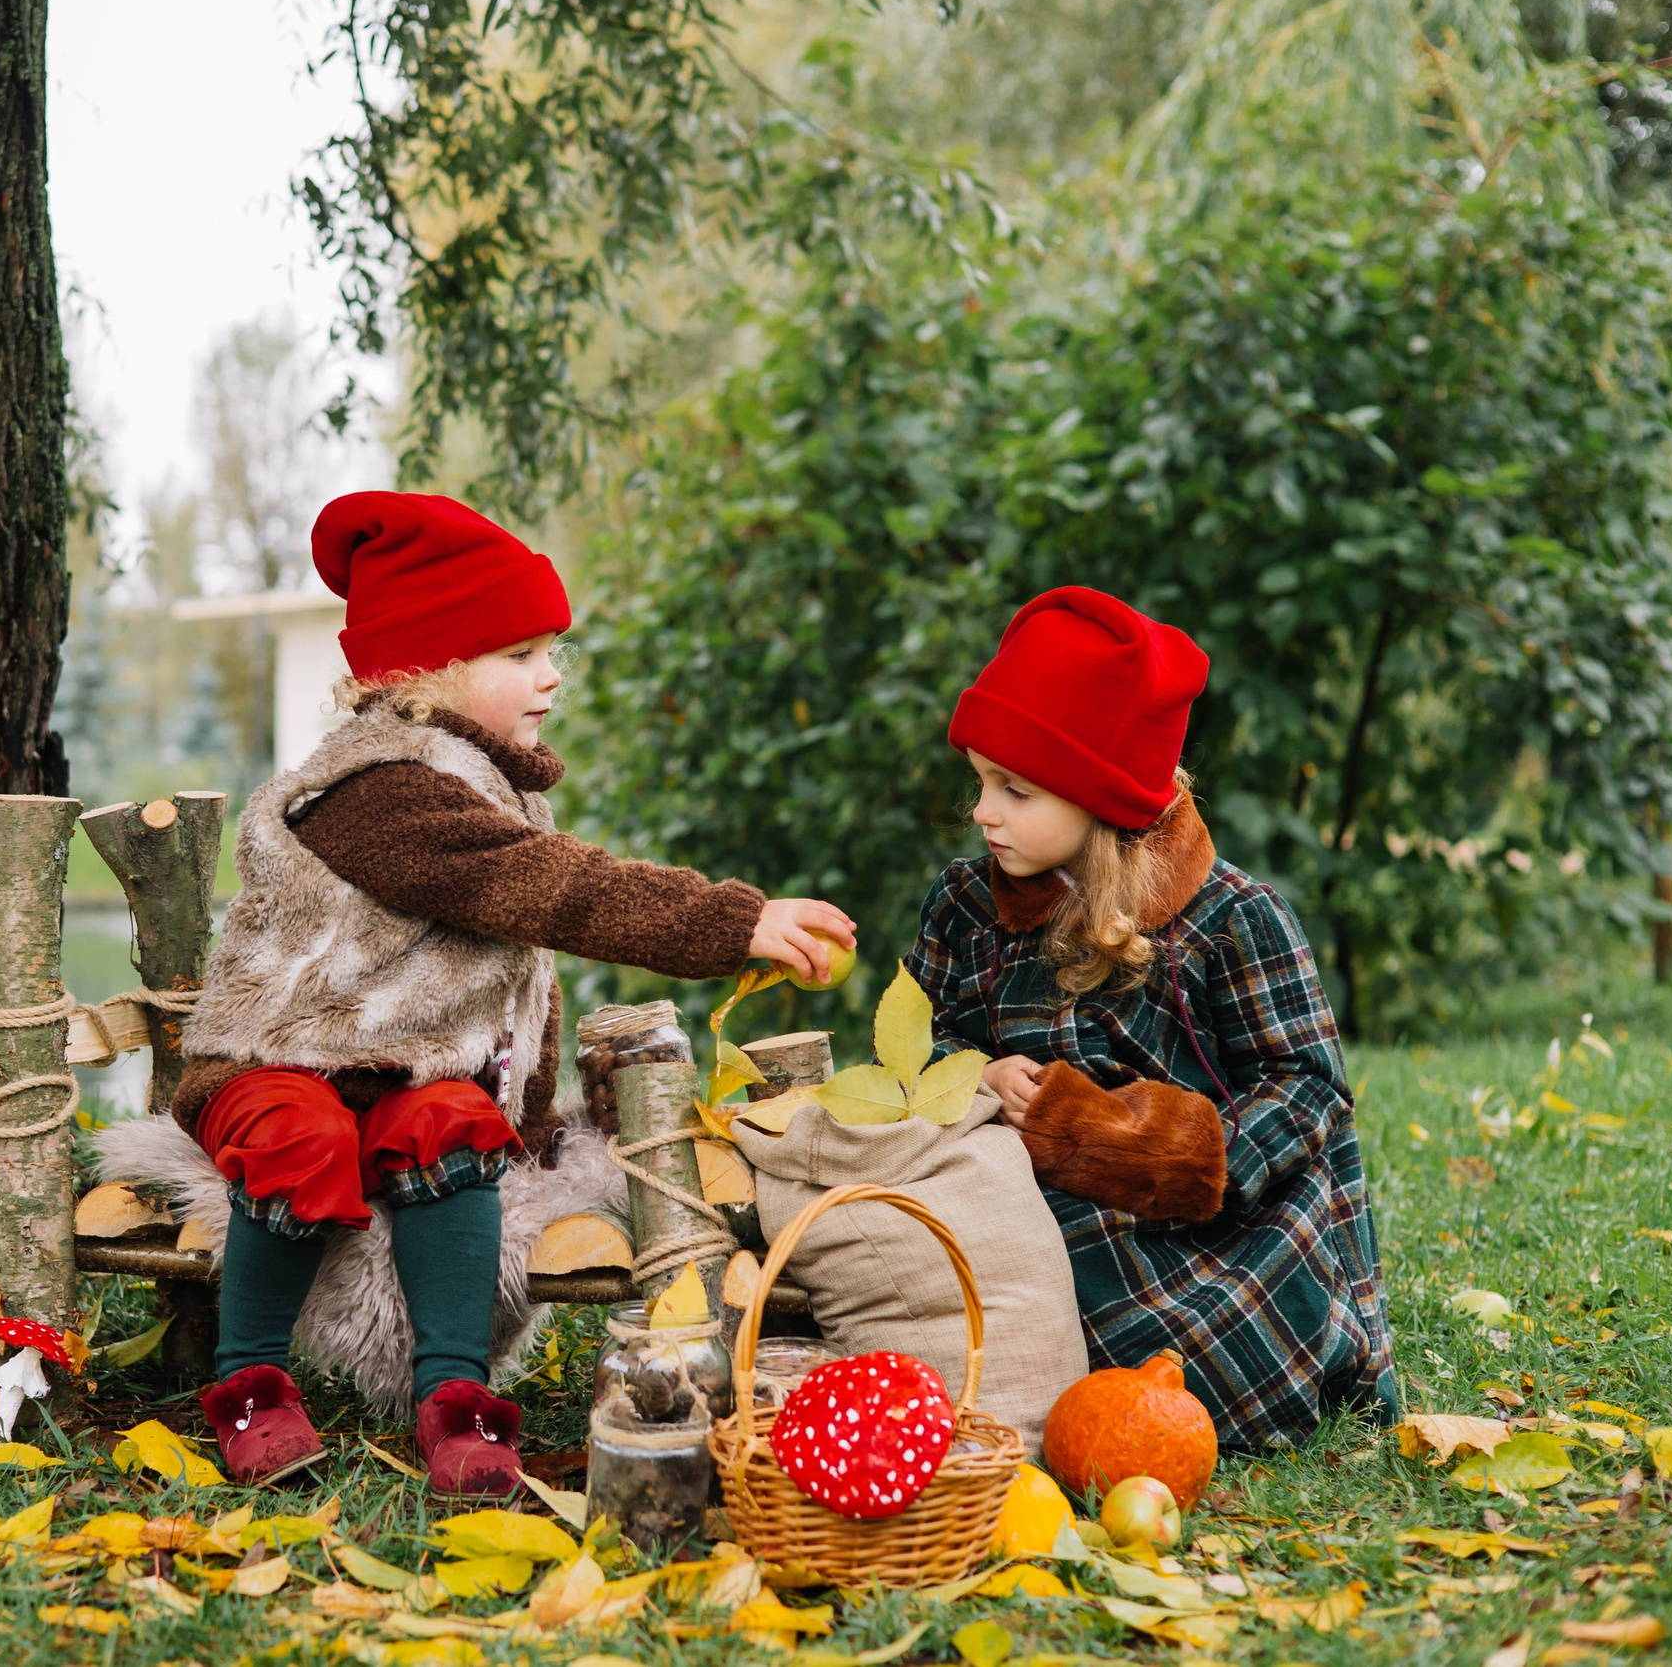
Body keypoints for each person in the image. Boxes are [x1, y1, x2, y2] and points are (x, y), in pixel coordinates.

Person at [174, 491, 855, 1492]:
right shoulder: (384, 787)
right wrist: (731, 919)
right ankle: (250, 1380)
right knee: (301, 1135)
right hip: (284, 1056)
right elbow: (557, 885)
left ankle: (450, 1395)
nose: (551, 675)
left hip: (405, 1065)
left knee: (455, 1126)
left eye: (550, 651)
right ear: (429, 672)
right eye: (521, 653)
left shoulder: (476, 779)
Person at [904, 586, 1397, 1448]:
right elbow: (918, 1039)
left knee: (1199, 1362)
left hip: (1206, 1220)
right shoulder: (965, 906)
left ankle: (1115, 1377)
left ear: (1100, 796)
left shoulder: (1230, 919)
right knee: (944, 1263)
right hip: (1031, 1200)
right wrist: (970, 1073)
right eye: (980, 782)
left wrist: (1163, 1149)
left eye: (1015, 790)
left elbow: (1310, 1090)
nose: (984, 811)